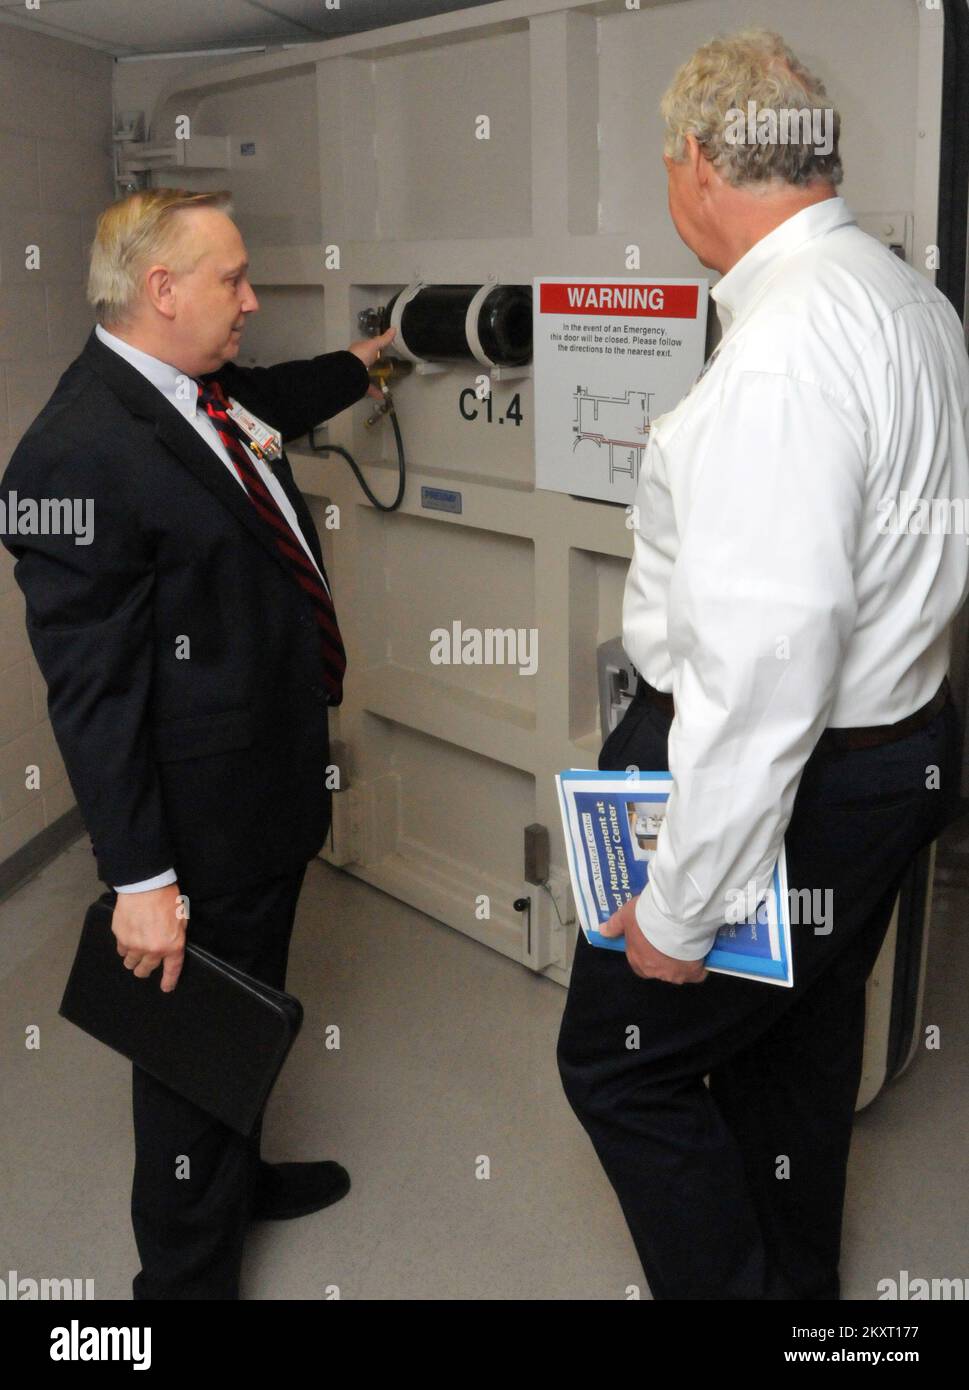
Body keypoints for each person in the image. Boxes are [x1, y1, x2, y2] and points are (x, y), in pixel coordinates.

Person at [557, 27, 969, 1300]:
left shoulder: (782, 354)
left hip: (802, 777)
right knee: (798, 1044)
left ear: (694, 164)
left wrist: (682, 907)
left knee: (619, 1060)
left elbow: (768, 673)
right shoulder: (909, 300)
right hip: (900, 754)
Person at [0, 187, 395, 1299]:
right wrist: (140, 879)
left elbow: (281, 394)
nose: (252, 298)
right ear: (160, 289)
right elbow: (94, 694)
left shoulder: (203, 398)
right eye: (233, 278)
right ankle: (180, 1284)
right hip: (195, 825)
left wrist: (372, 358)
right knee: (187, 1051)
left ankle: (239, 1178)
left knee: (242, 1006)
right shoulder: (72, 456)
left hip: (263, 794)